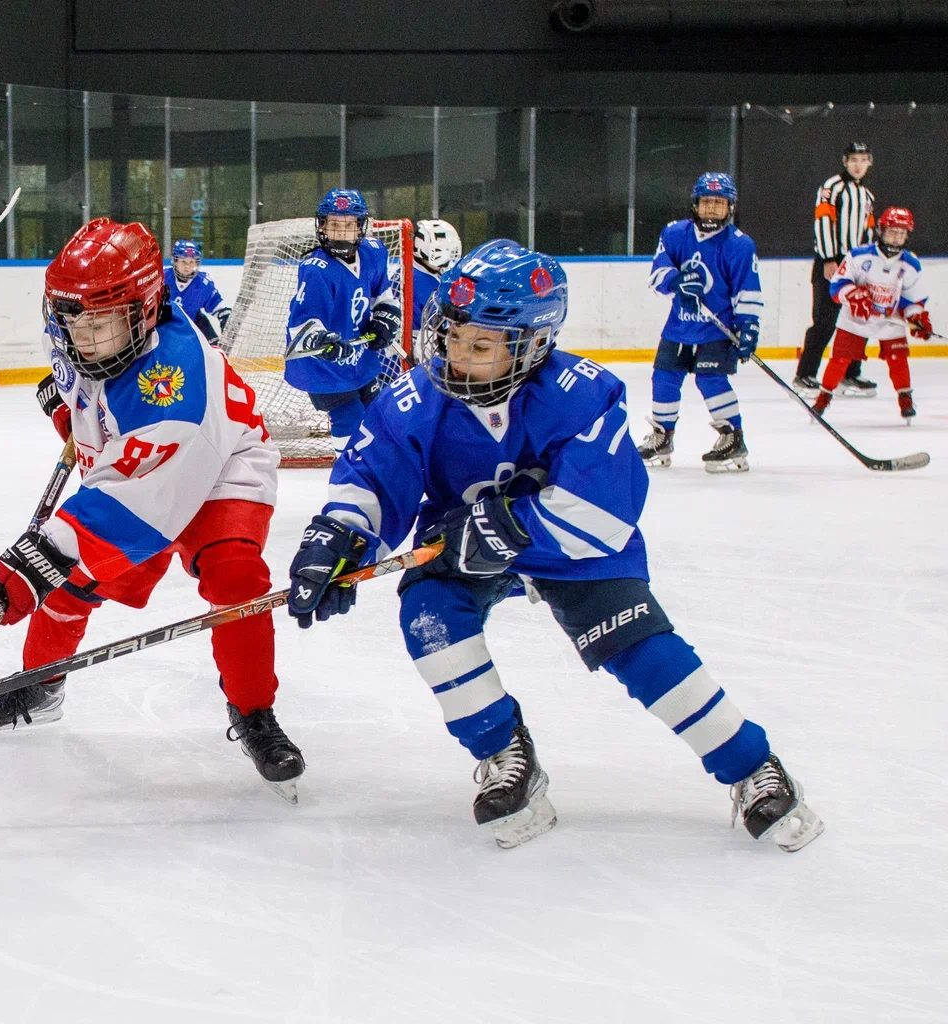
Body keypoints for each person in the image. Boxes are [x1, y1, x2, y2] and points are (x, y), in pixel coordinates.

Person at [285, 239, 823, 853]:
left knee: (641, 648)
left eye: (481, 345)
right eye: (453, 336)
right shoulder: (414, 399)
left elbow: (600, 514)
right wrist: (339, 535)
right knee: (428, 617)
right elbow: (373, 478)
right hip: (458, 544)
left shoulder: (584, 394)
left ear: (533, 344)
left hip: (567, 548)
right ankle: (505, 753)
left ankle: (754, 766)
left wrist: (504, 529)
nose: (458, 355)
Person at [0, 219, 304, 800]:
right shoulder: (95, 334)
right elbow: (100, 414)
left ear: (145, 308)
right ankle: (41, 684)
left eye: (97, 322)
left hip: (221, 470)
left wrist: (41, 558)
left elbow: (136, 499)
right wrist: (65, 414)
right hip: (145, 477)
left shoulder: (171, 378)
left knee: (235, 576)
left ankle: (254, 712)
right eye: (72, 320)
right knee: (71, 585)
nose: (83, 336)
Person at [637, 172, 763, 473]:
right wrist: (676, 281)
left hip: (716, 329)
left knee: (711, 380)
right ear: (695, 204)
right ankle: (662, 435)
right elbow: (657, 275)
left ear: (730, 208)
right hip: (679, 325)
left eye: (719, 204)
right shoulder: (674, 233)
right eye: (707, 202)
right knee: (664, 377)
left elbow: (748, 288)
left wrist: (748, 326)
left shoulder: (740, 245)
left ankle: (733, 437)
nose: (711, 209)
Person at [283, 189, 404, 457]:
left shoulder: (374, 252)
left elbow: (383, 295)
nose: (341, 232)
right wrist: (321, 342)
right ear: (323, 226)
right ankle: (348, 476)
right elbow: (302, 322)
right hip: (320, 366)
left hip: (358, 359)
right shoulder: (316, 269)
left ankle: (377, 473)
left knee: (377, 414)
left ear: (360, 228)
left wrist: (385, 317)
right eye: (334, 225)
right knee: (350, 416)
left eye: (348, 225)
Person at [812, 206, 930, 423]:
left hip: (889, 320)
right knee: (840, 359)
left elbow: (913, 298)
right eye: (892, 232)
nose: (895, 238)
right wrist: (853, 295)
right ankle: (822, 399)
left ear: (908, 236)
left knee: (898, 359)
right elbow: (837, 285)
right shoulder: (859, 256)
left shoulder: (910, 264)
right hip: (855, 319)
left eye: (901, 233)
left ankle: (905, 398)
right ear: (881, 230)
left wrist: (915, 317)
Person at [795, 142, 877, 397]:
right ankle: (805, 374)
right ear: (845, 161)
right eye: (854, 159)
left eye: (863, 159)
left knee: (859, 320)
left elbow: (869, 232)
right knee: (825, 322)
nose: (858, 164)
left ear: (869, 162)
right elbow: (822, 222)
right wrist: (830, 259)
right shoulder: (832, 187)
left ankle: (850, 374)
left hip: (858, 266)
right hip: (831, 262)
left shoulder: (867, 196)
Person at [164, 239, 230, 342]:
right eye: (183, 261)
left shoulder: (203, 283)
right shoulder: (162, 279)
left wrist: (225, 319)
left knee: (212, 348)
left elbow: (219, 308)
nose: (188, 266)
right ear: (175, 261)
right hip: (165, 328)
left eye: (192, 262)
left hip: (193, 326)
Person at [411, 219, 463, 316]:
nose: (452, 253)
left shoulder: (420, 272)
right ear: (434, 252)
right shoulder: (418, 282)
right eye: (448, 248)